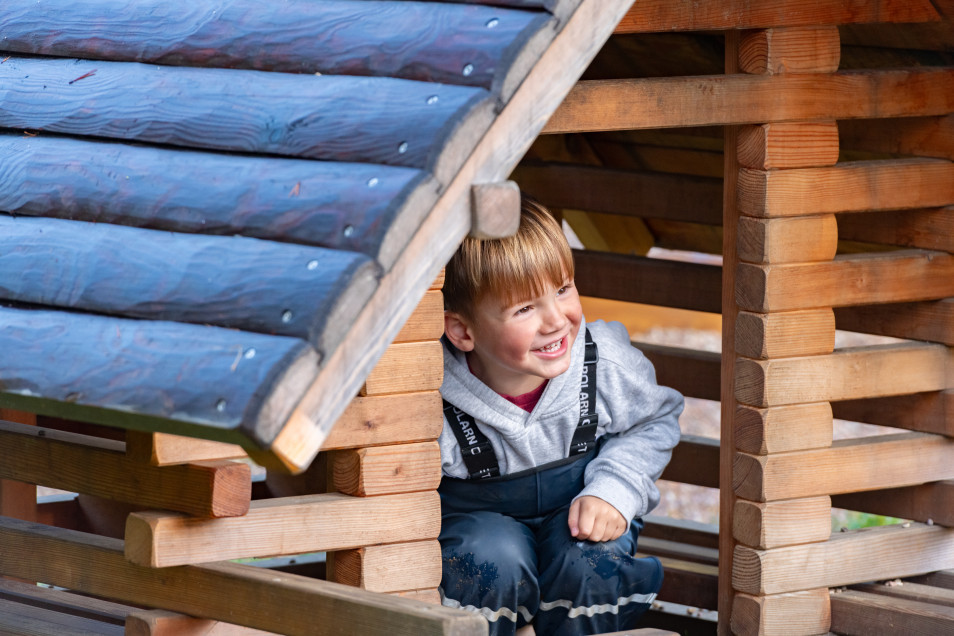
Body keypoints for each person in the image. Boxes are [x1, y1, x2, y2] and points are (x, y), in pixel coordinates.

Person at [437, 196, 684, 636]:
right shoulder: (431, 394)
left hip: (576, 519)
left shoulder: (602, 363)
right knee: (489, 558)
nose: (556, 320)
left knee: (590, 558)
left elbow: (653, 420)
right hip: (482, 533)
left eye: (563, 289)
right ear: (462, 331)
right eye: (524, 308)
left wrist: (615, 489)